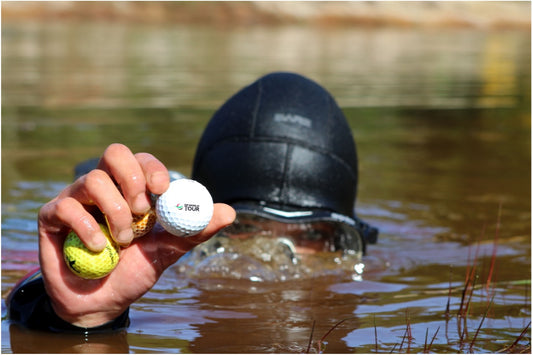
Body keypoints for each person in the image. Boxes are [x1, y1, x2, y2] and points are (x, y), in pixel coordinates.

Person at [6, 72, 378, 334]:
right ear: (201, 229)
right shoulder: (162, 264)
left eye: (313, 233)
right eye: (244, 228)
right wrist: (75, 318)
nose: (278, 258)